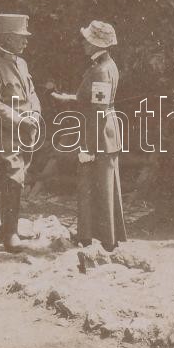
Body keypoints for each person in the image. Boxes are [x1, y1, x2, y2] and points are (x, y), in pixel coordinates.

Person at [51, 21, 127, 251]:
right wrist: (68, 98)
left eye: (87, 40)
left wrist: (90, 148)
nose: (83, 43)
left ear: (97, 44)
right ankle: (95, 237)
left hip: (98, 134)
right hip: (104, 132)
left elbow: (99, 110)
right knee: (101, 185)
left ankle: (104, 241)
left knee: (97, 186)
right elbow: (96, 101)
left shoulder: (100, 70)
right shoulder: (107, 65)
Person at [0, 14, 41, 252]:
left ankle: (7, 228)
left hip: (26, 130)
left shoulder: (21, 63)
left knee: (20, 177)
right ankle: (10, 234)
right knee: (13, 178)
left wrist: (35, 114)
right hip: (6, 132)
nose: (26, 42)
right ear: (7, 38)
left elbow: (32, 92)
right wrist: (21, 121)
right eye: (21, 37)